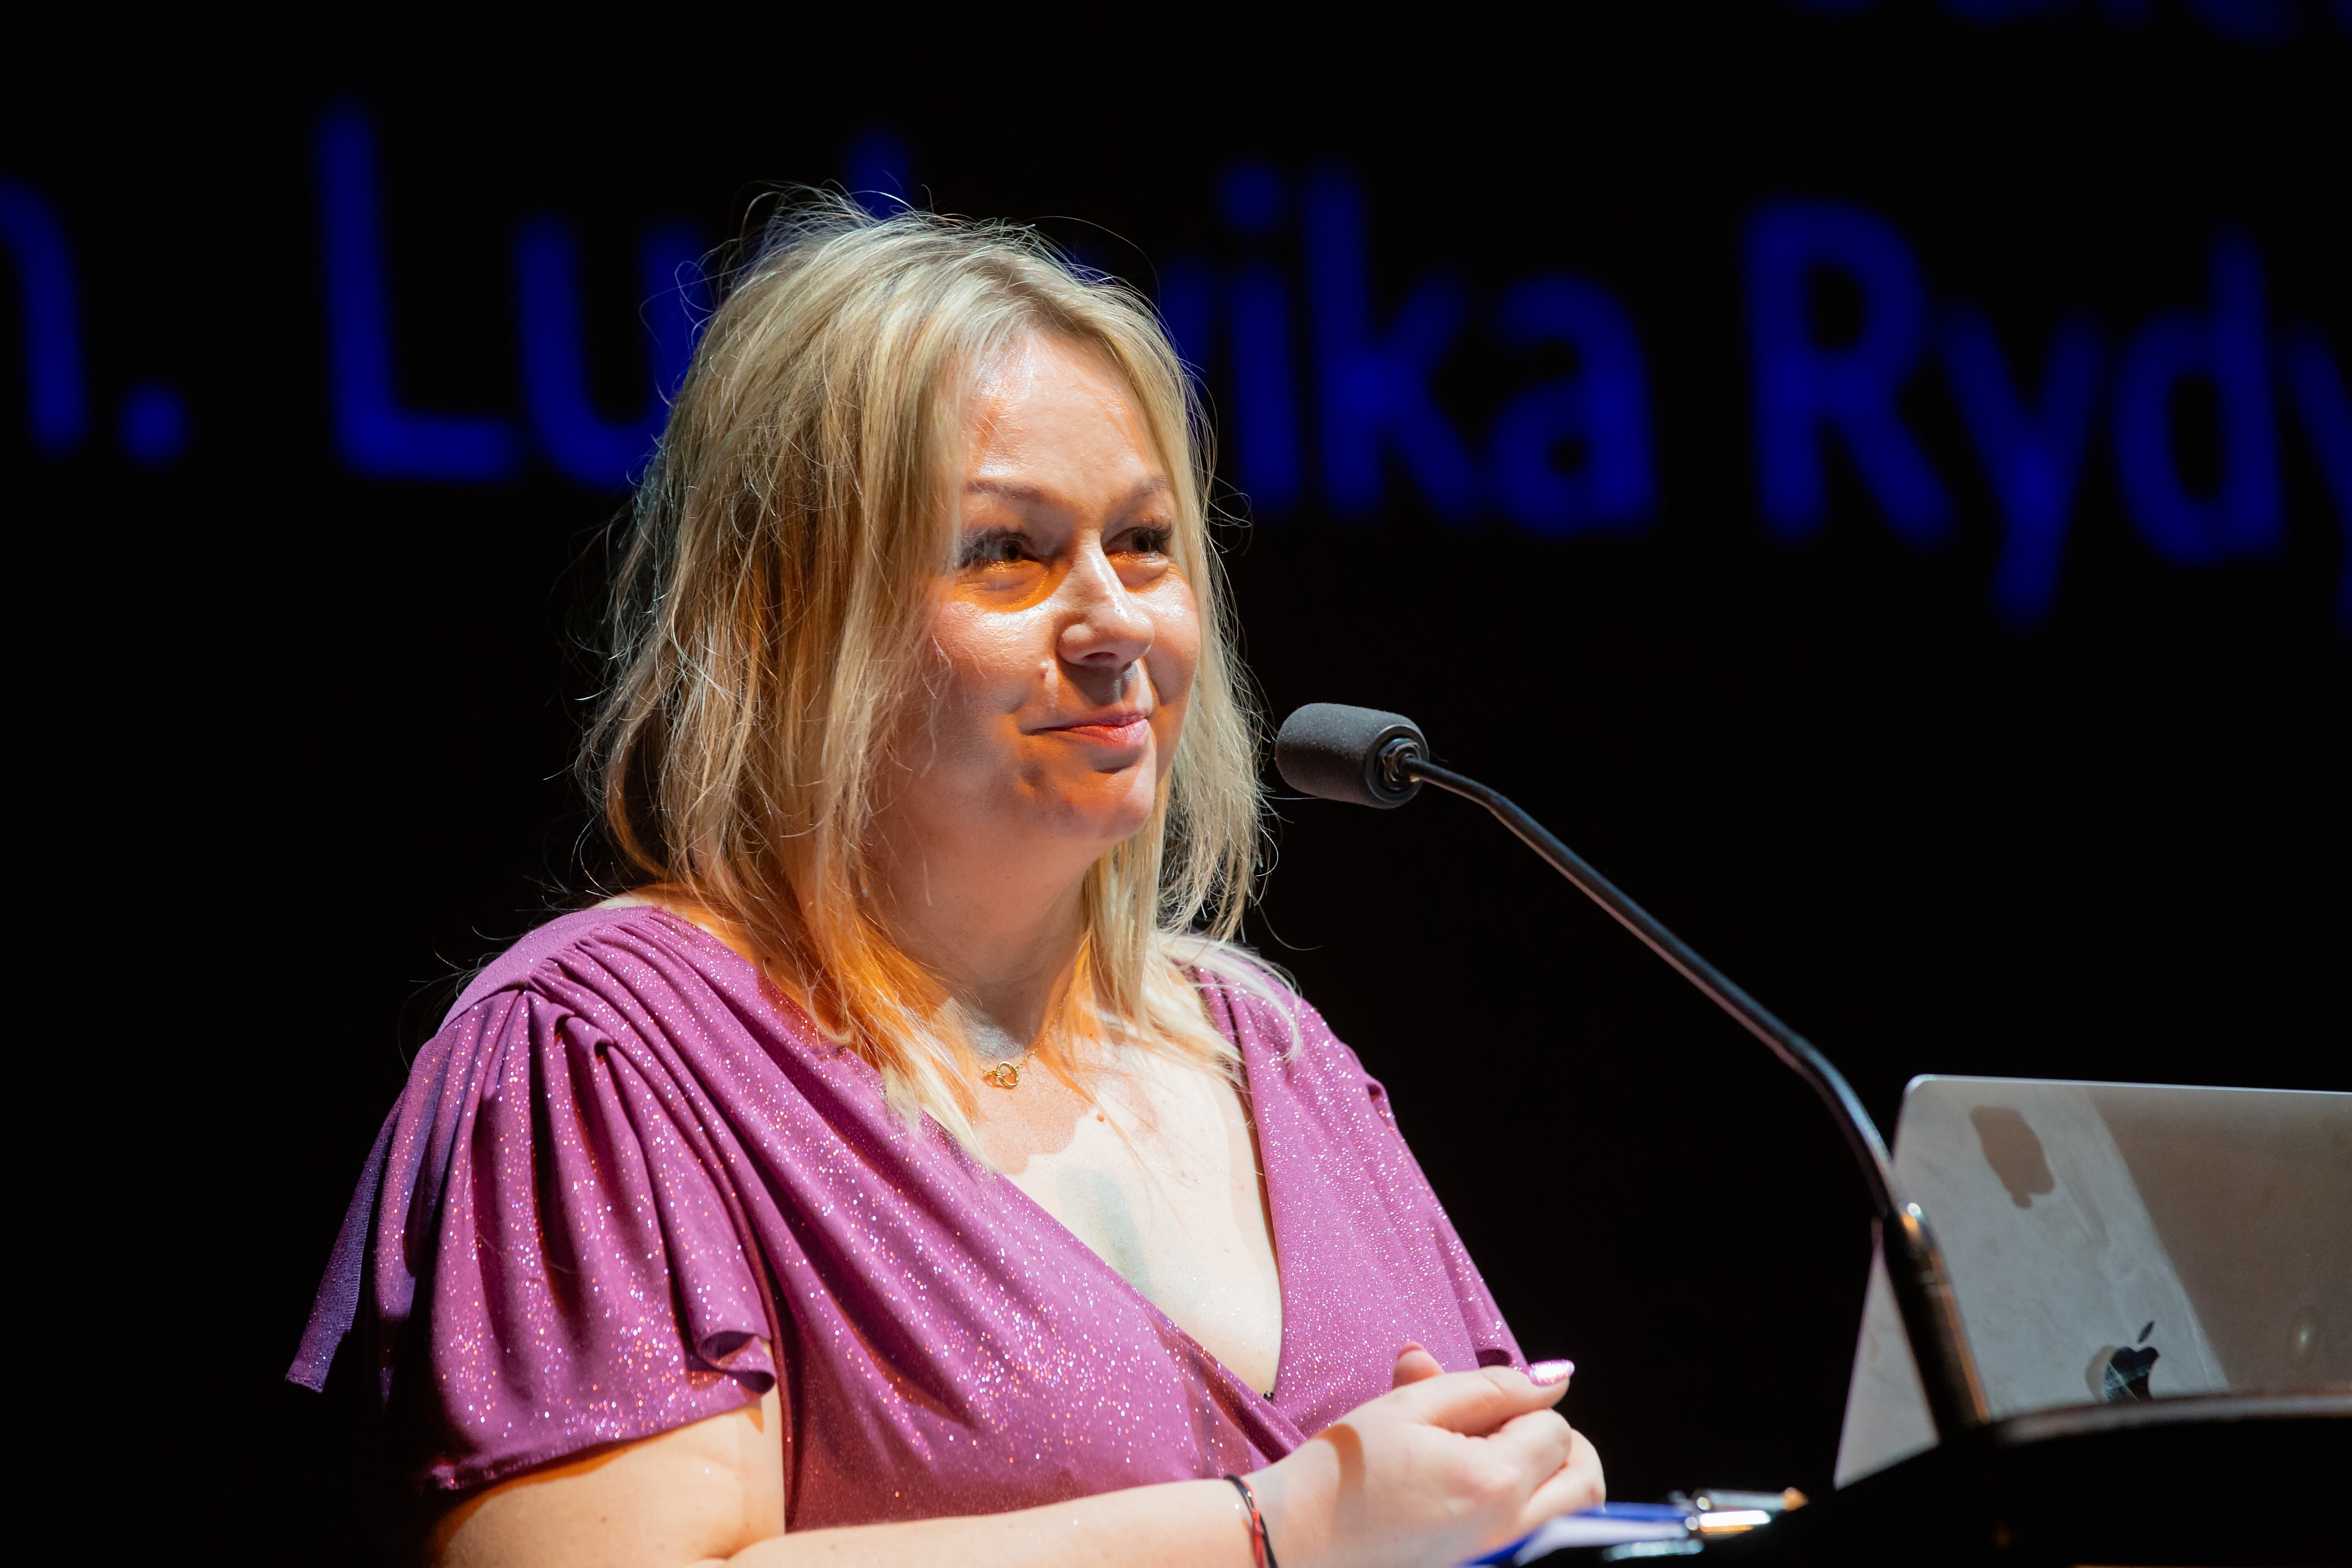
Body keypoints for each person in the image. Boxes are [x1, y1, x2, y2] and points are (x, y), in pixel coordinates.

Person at [291, 198, 1604, 1568]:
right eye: (1008, 553)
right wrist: (1276, 1530)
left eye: (1144, 542)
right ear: (796, 616)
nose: (1115, 622)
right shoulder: (603, 1060)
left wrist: (1537, 1502)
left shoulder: (1273, 1054)